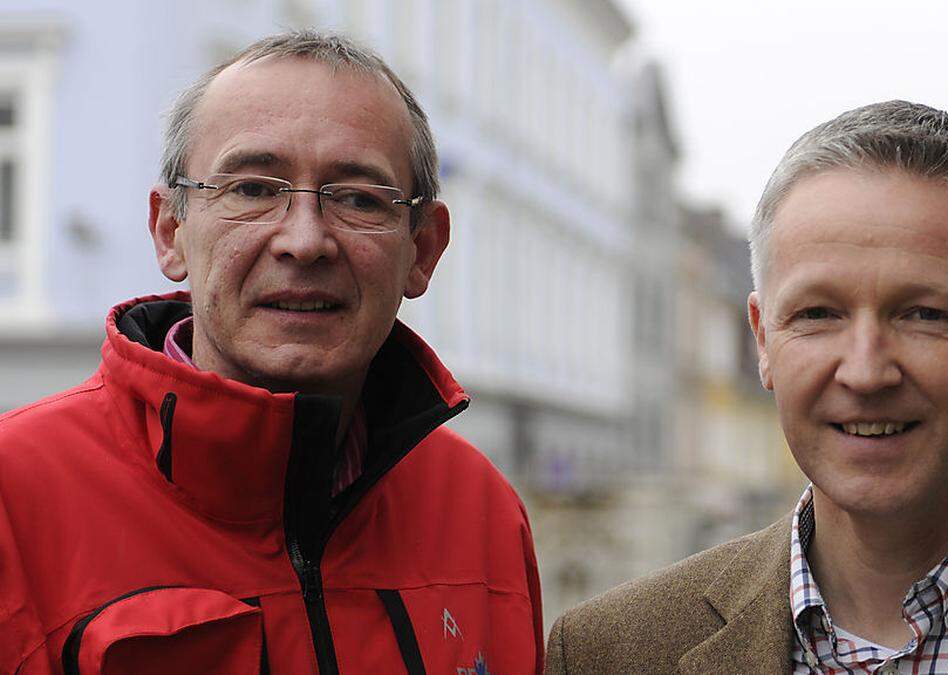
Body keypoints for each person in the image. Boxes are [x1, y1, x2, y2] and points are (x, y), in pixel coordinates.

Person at [546, 101, 948, 673]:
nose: (864, 371)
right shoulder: (613, 651)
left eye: (924, 314)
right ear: (763, 340)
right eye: (817, 314)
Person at [0, 31, 542, 675]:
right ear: (170, 231)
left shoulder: (479, 509)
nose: (305, 241)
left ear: (422, 251)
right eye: (253, 189)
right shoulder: (16, 499)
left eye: (358, 198)